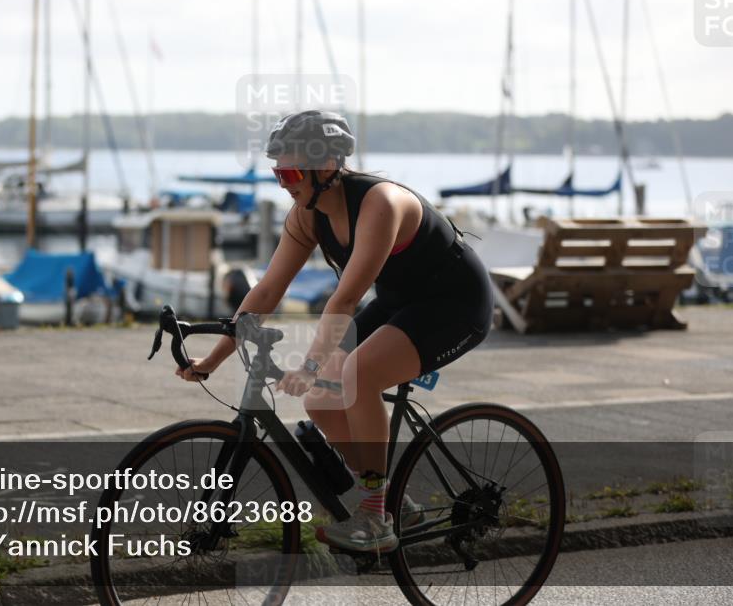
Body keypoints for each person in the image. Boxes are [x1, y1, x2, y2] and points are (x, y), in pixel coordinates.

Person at [175, 110, 494, 552]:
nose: (284, 183)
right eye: (276, 173)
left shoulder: (380, 203)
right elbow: (267, 291)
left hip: (456, 304)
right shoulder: (307, 215)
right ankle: (394, 504)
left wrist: (309, 364)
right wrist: (213, 358)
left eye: (289, 171)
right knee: (321, 399)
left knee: (357, 374)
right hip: (402, 303)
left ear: (325, 166)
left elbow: (343, 302)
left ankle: (375, 518)